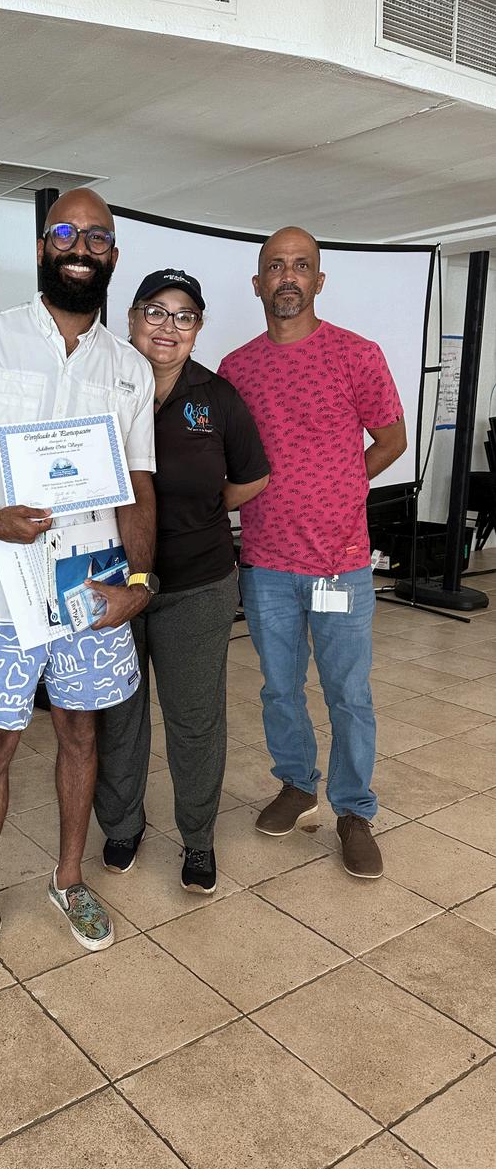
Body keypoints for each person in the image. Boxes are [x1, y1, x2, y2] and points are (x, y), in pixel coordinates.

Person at [0, 188, 157, 993]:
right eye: (65, 232)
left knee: (81, 735)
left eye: (97, 237)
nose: (80, 246)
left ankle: (69, 879)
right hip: (1, 596)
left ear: (113, 254)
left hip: (90, 590)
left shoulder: (127, 368)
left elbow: (138, 486)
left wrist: (140, 581)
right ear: (43, 246)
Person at [218, 227, 406, 878]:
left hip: (339, 563)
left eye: (301, 266)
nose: (288, 277)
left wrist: (344, 482)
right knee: (279, 688)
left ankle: (354, 810)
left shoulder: (357, 355)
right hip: (266, 563)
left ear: (319, 280)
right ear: (258, 283)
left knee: (348, 693)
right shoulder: (237, 368)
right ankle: (297, 785)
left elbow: (391, 439)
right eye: (276, 266)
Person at [95, 270, 270, 891]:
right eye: (155, 312)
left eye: (184, 316)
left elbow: (253, 476)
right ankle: (121, 826)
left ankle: (197, 839)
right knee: (118, 715)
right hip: (111, 581)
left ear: (197, 329)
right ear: (132, 317)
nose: (168, 326)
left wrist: (201, 513)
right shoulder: (97, 384)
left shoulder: (217, 397)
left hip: (196, 584)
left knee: (194, 720)